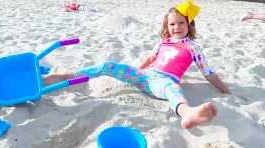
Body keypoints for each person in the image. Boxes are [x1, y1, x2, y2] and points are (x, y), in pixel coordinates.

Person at [42, 0, 244, 129]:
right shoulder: (162, 42)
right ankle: (63, 77)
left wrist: (227, 92)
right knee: (108, 65)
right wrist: (138, 69)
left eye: (182, 23)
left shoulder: (193, 48)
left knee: (174, 89)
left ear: (189, 25)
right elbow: (151, 59)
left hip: (162, 83)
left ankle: (187, 113)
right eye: (172, 24)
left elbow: (208, 73)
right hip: (144, 77)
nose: (177, 28)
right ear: (167, 26)